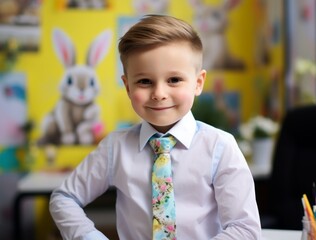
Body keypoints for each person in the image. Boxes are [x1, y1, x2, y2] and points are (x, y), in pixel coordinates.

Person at [49, 14, 261, 240]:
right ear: (128, 87)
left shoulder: (221, 147)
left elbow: (244, 229)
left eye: (174, 80)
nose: (159, 94)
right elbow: (64, 197)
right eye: (144, 81)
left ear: (198, 83)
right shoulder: (115, 148)